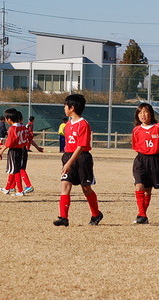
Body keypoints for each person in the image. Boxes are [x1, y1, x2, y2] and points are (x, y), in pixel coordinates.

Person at [54, 94, 103, 227]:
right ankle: (63, 217)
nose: (64, 108)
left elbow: (81, 146)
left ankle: (96, 214)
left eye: (65, 105)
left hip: (82, 158)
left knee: (86, 188)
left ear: (72, 108)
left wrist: (70, 162)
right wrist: (66, 160)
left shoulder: (83, 124)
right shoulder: (68, 125)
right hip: (68, 156)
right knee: (65, 185)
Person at [0, 108, 26, 197]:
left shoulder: (12, 129)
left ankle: (20, 190)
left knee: (16, 171)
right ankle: (7, 188)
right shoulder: (22, 127)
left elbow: (10, 142)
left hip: (13, 151)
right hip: (20, 150)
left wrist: (2, 150)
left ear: (9, 119)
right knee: (13, 170)